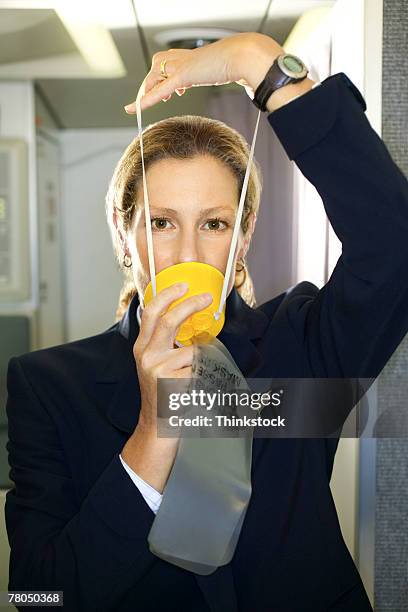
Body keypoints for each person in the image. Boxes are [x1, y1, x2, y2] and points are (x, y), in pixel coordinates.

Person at [5, 31, 408, 611]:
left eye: (215, 224)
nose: (188, 252)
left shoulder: (301, 346)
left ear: (242, 238)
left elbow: (393, 243)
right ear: (125, 238)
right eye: (162, 223)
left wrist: (256, 64)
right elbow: (38, 593)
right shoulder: (49, 385)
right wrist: (152, 431)